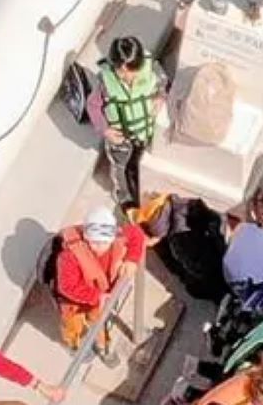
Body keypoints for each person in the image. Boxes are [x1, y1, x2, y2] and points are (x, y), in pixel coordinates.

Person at [52, 204, 147, 349]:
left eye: (105, 242)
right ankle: (73, 343)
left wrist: (131, 260)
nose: (100, 247)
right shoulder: (68, 257)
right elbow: (67, 286)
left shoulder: (119, 236)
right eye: (95, 242)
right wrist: (96, 296)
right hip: (75, 303)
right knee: (72, 326)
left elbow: (137, 234)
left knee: (99, 322)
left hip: (101, 299)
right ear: (85, 238)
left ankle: (103, 346)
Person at [94, 36, 166, 208]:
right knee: (122, 168)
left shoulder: (152, 70)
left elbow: (163, 83)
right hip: (120, 138)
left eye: (133, 71)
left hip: (144, 132)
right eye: (122, 72)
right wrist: (105, 130)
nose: (128, 76)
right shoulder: (105, 83)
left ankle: (141, 192)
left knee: (140, 163)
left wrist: (160, 96)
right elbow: (93, 106)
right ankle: (124, 197)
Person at [137, 192, 228, 301]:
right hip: (222, 249)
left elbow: (200, 270)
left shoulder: (180, 240)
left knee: (195, 289)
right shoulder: (183, 204)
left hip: (217, 272)